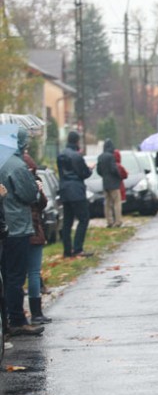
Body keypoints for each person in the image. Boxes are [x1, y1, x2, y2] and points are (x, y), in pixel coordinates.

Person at [0, 126, 44, 336]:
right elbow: (29, 195)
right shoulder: (16, 165)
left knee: (5, 276)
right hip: (17, 226)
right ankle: (17, 320)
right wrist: (36, 186)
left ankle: (6, 321)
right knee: (16, 277)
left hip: (4, 226)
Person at [21, 151, 51, 325]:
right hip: (33, 230)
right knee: (33, 272)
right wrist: (39, 191)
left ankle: (15, 314)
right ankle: (36, 312)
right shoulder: (31, 182)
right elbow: (42, 204)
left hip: (15, 232)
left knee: (15, 274)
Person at [57, 131, 93, 258]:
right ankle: (78, 248)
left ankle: (67, 250)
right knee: (83, 218)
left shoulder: (60, 155)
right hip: (76, 191)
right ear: (77, 141)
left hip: (65, 191)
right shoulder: (77, 156)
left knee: (67, 221)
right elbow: (84, 173)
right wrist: (90, 169)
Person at [97, 139, 123, 228]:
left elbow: (98, 170)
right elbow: (113, 169)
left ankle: (109, 221)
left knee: (107, 203)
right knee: (117, 202)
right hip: (114, 183)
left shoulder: (100, 157)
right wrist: (119, 175)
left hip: (105, 183)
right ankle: (118, 221)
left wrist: (104, 175)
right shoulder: (111, 156)